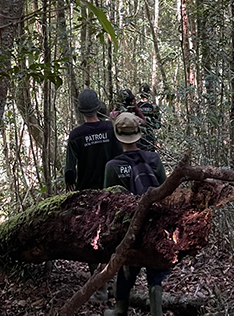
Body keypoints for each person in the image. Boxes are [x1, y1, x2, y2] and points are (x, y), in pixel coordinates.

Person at [103, 112, 168, 316]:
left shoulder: (112, 167)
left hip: (127, 228)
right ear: (139, 133)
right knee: (155, 264)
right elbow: (166, 191)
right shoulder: (154, 159)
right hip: (154, 224)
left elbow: (109, 201)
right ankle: (156, 311)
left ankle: (120, 308)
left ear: (117, 135)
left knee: (125, 265)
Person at [64, 88, 122, 302]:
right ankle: (117, 284)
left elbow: (70, 170)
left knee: (93, 237)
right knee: (113, 233)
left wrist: (70, 184)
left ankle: (100, 289)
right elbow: (120, 158)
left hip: (88, 193)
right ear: (98, 108)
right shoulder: (109, 128)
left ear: (81, 111)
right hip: (111, 190)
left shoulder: (76, 135)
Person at [137, 83, 161, 151]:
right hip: (149, 137)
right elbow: (158, 125)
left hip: (137, 137)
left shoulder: (135, 108)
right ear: (148, 94)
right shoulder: (153, 108)